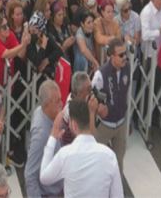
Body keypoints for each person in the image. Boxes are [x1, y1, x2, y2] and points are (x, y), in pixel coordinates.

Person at [40, 98, 123, 198]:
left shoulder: (65, 155)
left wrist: (53, 136)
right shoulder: (109, 156)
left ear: (74, 125)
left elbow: (44, 178)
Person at [91, 38, 131, 173]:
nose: (124, 57)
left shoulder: (127, 67)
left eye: (125, 53)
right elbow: (92, 95)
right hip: (104, 126)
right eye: (121, 55)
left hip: (121, 124)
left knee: (119, 161)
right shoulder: (100, 74)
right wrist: (99, 109)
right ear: (112, 56)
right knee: (96, 160)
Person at [25, 80, 64, 198]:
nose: (61, 104)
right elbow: (30, 175)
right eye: (57, 101)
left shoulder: (40, 111)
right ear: (46, 105)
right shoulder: (41, 134)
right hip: (48, 193)